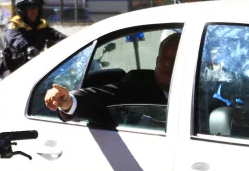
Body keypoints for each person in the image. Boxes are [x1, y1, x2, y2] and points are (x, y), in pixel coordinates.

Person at [44, 32, 181, 125]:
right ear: (157, 61)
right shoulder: (140, 84)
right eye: (164, 58)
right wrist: (68, 102)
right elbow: (102, 96)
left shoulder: (200, 89)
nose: (167, 64)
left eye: (175, 59)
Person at [0, 0, 66, 75]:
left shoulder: (41, 25)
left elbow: (57, 35)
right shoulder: (14, 24)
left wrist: (72, 40)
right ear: (22, 9)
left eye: (36, 8)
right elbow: (15, 38)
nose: (34, 11)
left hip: (35, 68)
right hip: (14, 71)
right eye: (31, 8)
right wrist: (28, 48)